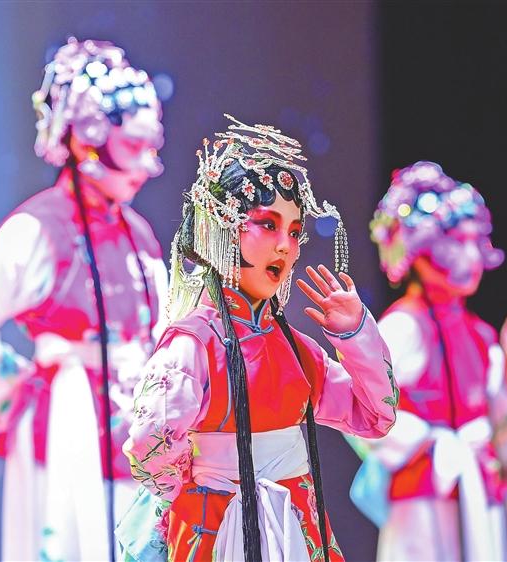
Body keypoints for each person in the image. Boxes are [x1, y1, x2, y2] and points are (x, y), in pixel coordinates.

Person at [117, 115, 398, 562]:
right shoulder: (193, 344)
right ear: (222, 227)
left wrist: (353, 333)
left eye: (295, 231)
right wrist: (198, 482)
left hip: (295, 525)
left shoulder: (297, 350)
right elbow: (149, 445)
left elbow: (375, 417)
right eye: (268, 224)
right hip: (212, 524)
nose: (285, 245)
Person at [0, 38, 168, 561]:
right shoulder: (40, 226)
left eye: (153, 146)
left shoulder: (140, 235)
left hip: (141, 435)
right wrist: (16, 396)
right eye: (134, 146)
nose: (149, 164)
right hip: (67, 427)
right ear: (86, 142)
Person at [349, 161, 507, 561]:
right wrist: (429, 443)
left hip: (476, 491)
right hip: (424, 498)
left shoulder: (479, 334)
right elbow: (362, 413)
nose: (472, 256)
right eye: (457, 241)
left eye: (476, 241)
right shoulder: (403, 326)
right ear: (420, 248)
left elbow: (501, 436)